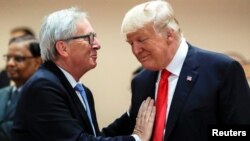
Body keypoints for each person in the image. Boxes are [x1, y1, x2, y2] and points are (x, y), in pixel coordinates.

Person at [12, 7, 155, 141]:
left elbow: (92, 137)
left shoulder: (82, 91)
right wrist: (137, 138)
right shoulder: (43, 87)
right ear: (63, 48)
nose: (97, 44)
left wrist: (133, 115)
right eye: (89, 38)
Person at [121, 1, 250, 141]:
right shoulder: (141, 81)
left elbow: (241, 132)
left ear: (169, 35)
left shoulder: (222, 70)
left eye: (141, 40)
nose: (135, 50)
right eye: (131, 43)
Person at [0, 35, 42, 141]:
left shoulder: (42, 95)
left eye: (18, 59)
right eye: (8, 58)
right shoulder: (2, 93)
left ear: (37, 62)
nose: (10, 63)